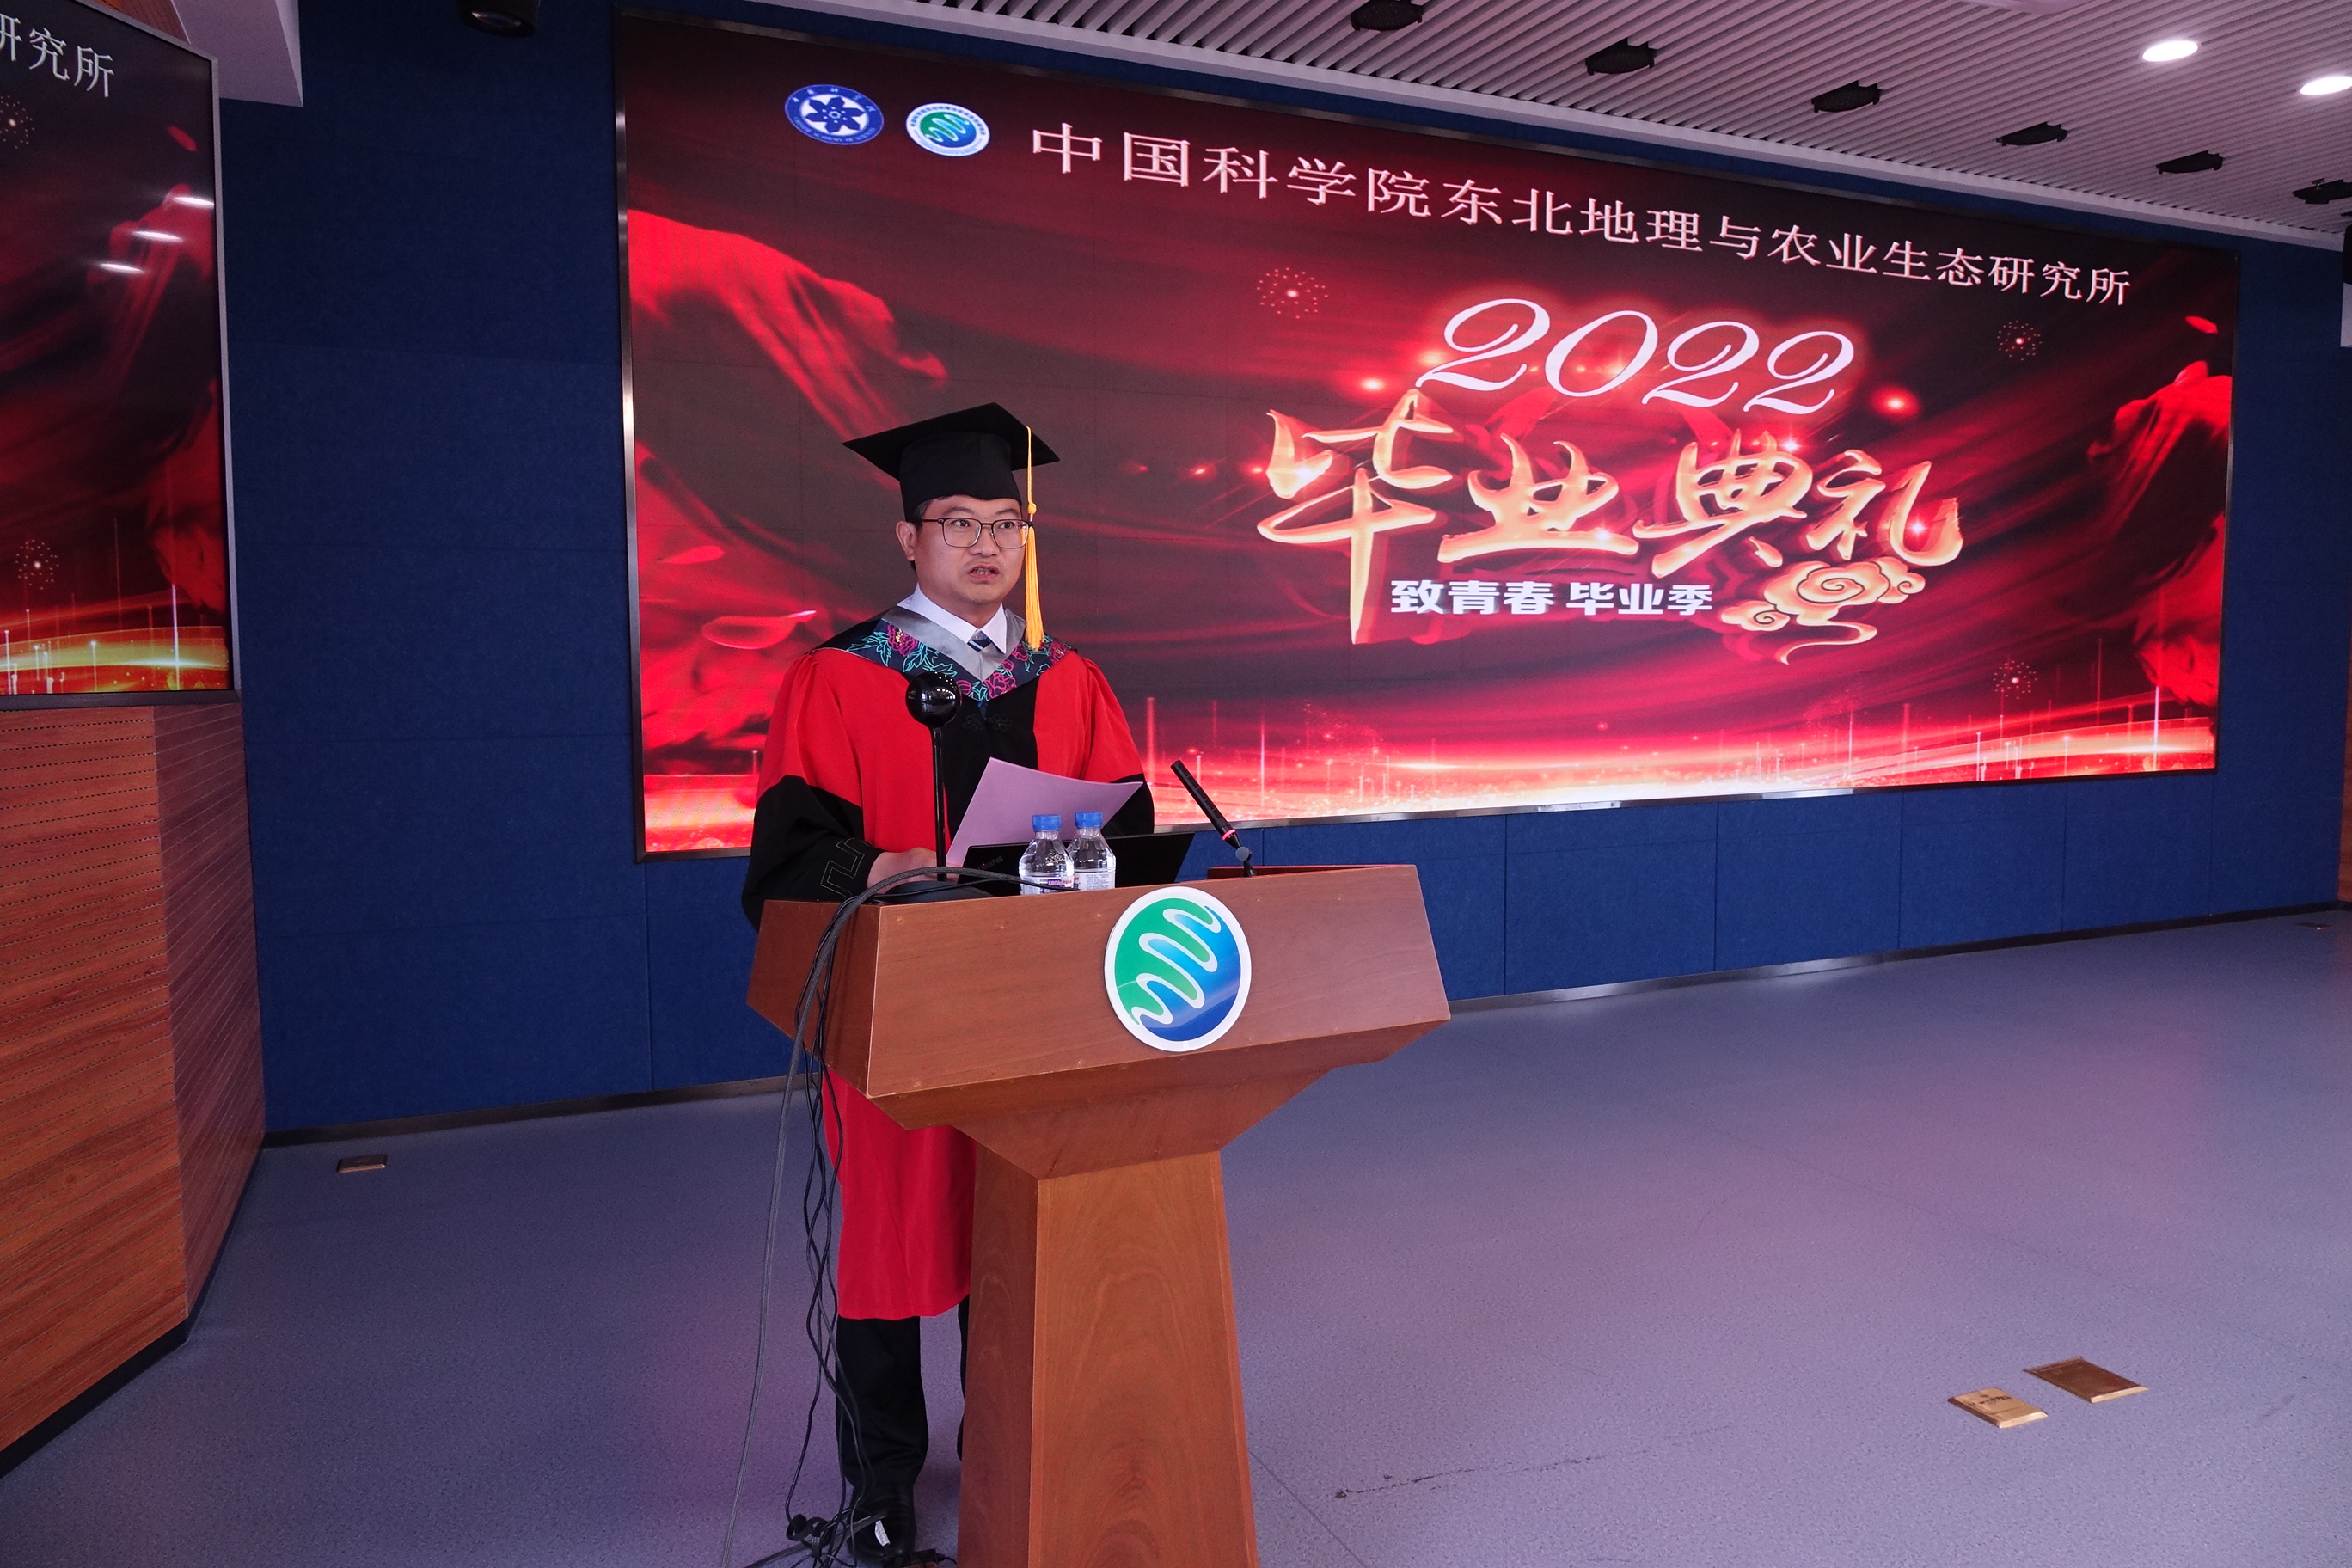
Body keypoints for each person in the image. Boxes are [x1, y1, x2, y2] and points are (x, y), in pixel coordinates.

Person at [739, 404, 1152, 1563]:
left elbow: (1127, 833)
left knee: (1018, 1229)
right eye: (959, 522)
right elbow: (785, 860)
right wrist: (877, 866)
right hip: (900, 1009)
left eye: (1007, 523)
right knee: (887, 1241)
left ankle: (1003, 1448)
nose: (986, 544)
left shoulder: (1069, 680)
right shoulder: (836, 678)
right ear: (908, 536)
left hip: (1040, 1010)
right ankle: (879, 1481)